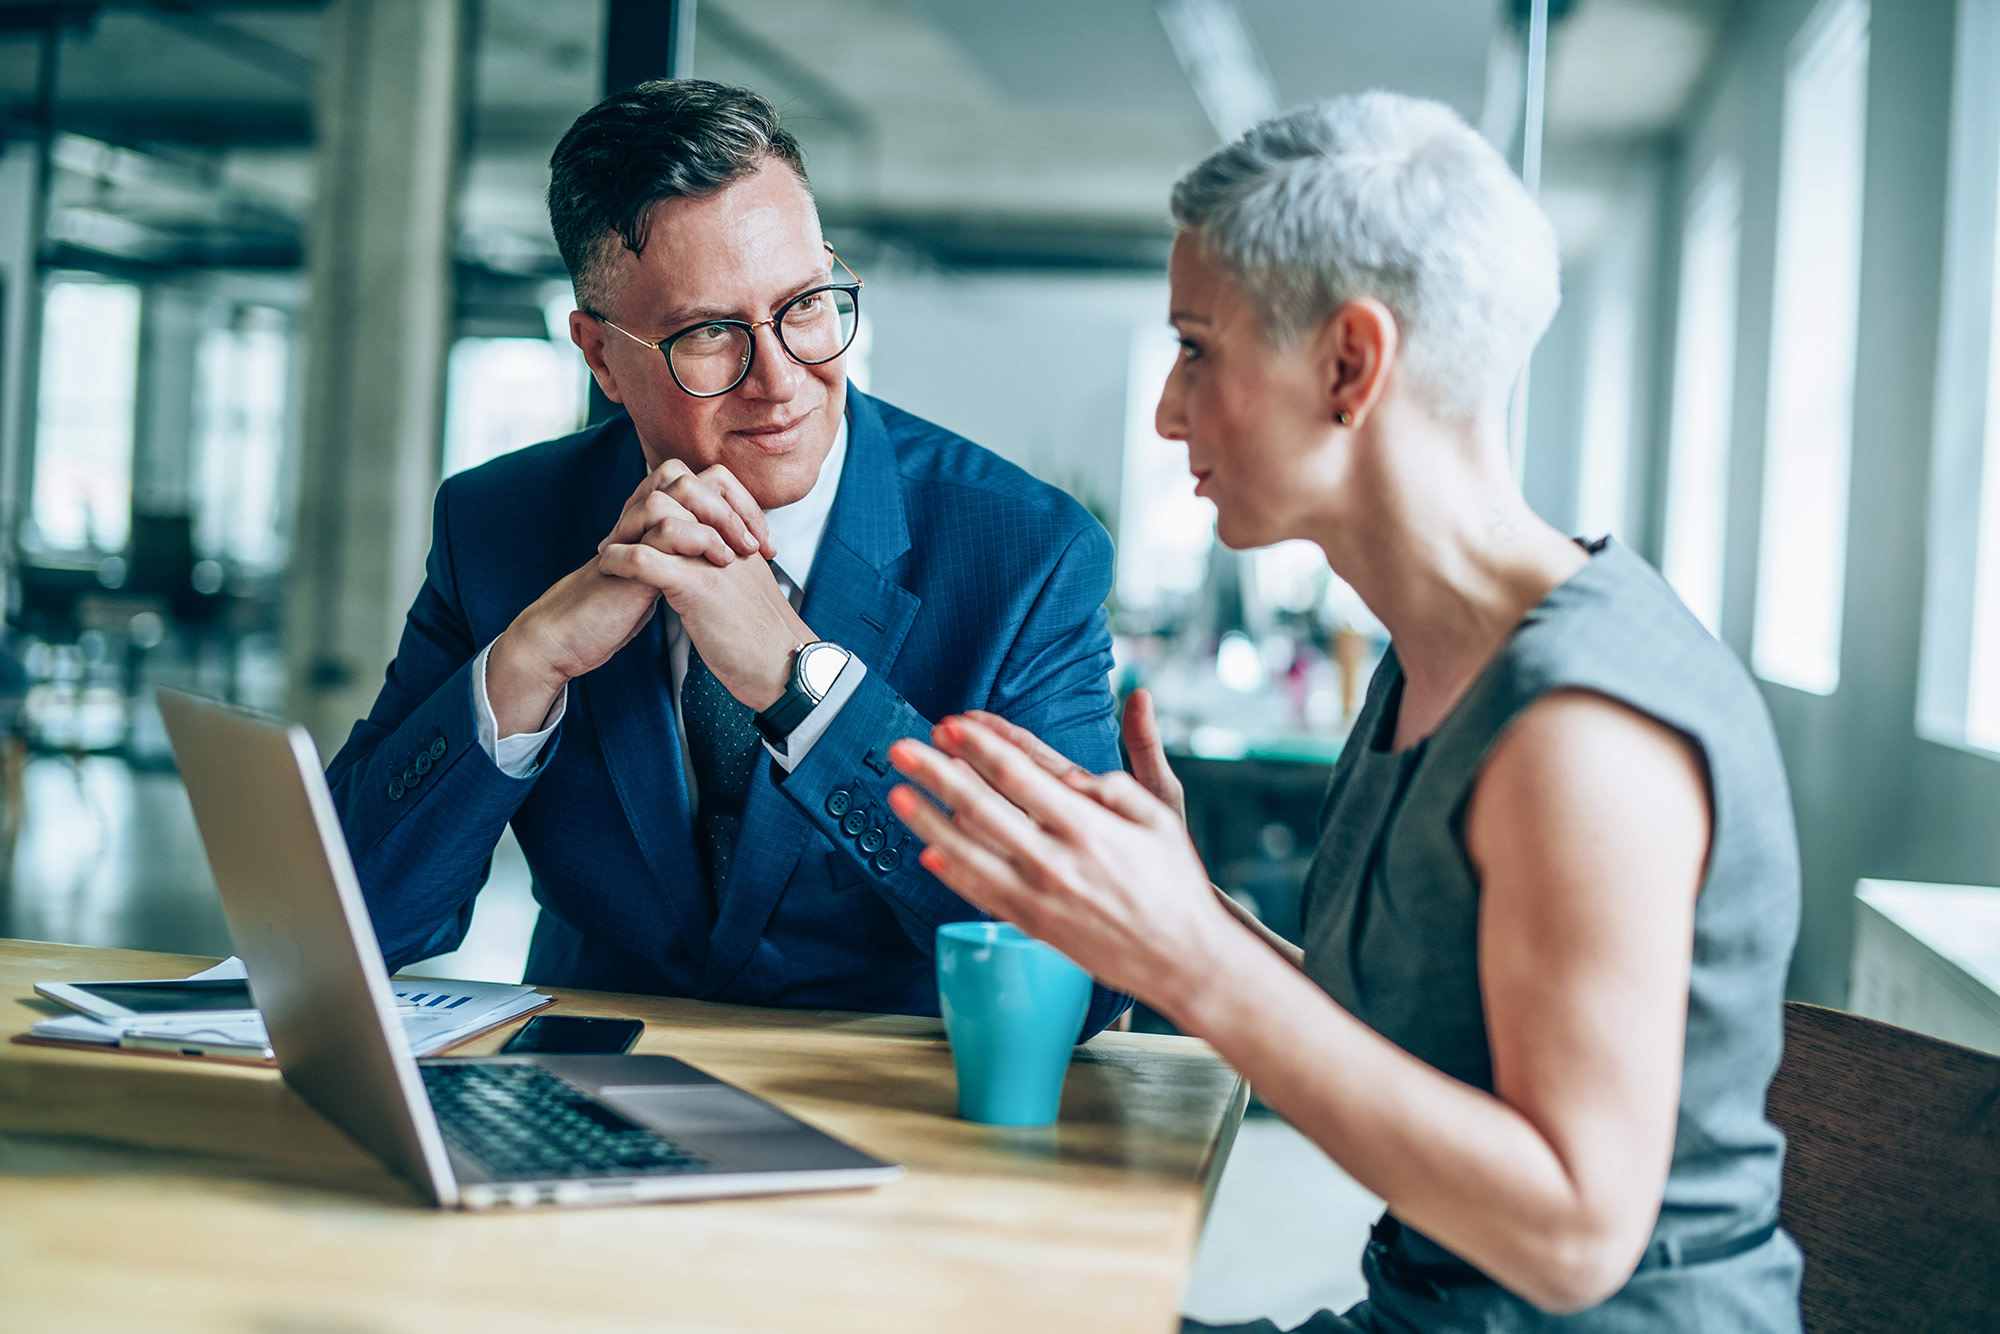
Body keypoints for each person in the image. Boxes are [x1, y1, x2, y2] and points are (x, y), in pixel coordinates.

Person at [887, 92, 1804, 1332]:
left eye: (1196, 347)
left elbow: (1574, 1230)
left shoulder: (1583, 731)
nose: (1165, 409)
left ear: (1348, 364)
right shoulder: (1435, 657)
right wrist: (1174, 904)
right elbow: (1415, 1041)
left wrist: (1189, 953)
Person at [325, 80, 1127, 1035]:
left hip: (887, 1121)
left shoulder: (1025, 556)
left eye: (806, 304)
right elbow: (352, 920)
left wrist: (806, 691)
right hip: (578, 1106)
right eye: (710, 334)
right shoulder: (500, 526)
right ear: (599, 358)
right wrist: (526, 660)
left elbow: (1081, 977)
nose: (783, 380)